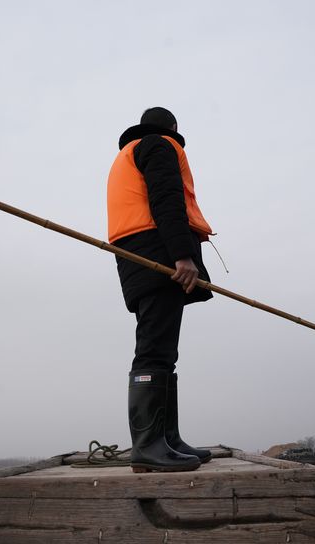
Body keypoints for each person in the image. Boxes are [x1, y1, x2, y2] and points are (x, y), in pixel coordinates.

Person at [106, 107, 214, 473]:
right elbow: (166, 199)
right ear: (172, 128)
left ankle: (167, 439)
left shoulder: (130, 153)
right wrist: (183, 255)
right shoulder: (158, 145)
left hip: (136, 255)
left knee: (163, 350)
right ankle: (149, 446)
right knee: (154, 349)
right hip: (157, 254)